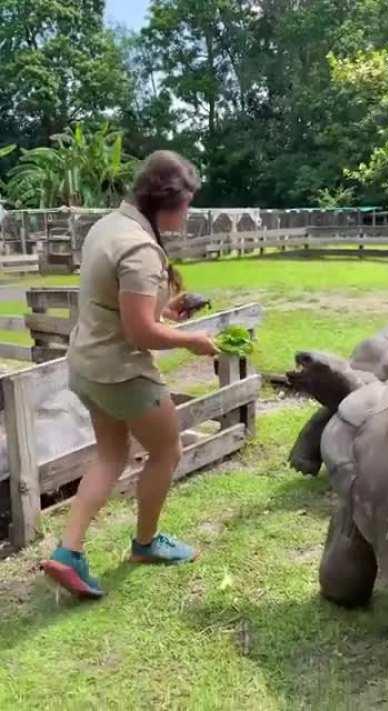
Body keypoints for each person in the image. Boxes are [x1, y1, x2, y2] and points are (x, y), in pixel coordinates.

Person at [41, 151, 218, 599]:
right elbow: (140, 334)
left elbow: (118, 304)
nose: (189, 212)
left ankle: (67, 553)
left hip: (87, 366)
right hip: (122, 372)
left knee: (110, 456)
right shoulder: (141, 249)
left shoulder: (109, 225)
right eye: (187, 204)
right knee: (167, 451)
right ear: (168, 201)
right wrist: (190, 340)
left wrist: (165, 309)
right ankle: (145, 543)